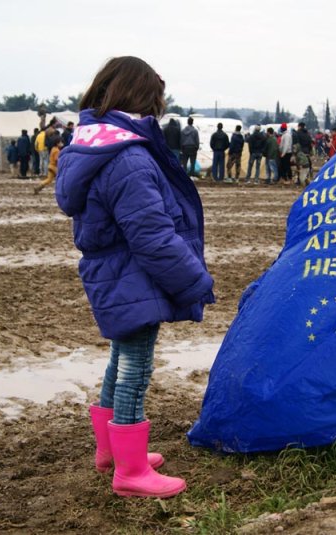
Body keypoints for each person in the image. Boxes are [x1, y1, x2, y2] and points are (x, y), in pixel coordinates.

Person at [54, 56, 214, 499]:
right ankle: (130, 469)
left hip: (113, 272)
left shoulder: (90, 145)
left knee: (120, 358)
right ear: (142, 98)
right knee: (135, 368)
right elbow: (153, 236)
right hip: (134, 275)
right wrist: (194, 280)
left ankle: (111, 451)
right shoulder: (127, 158)